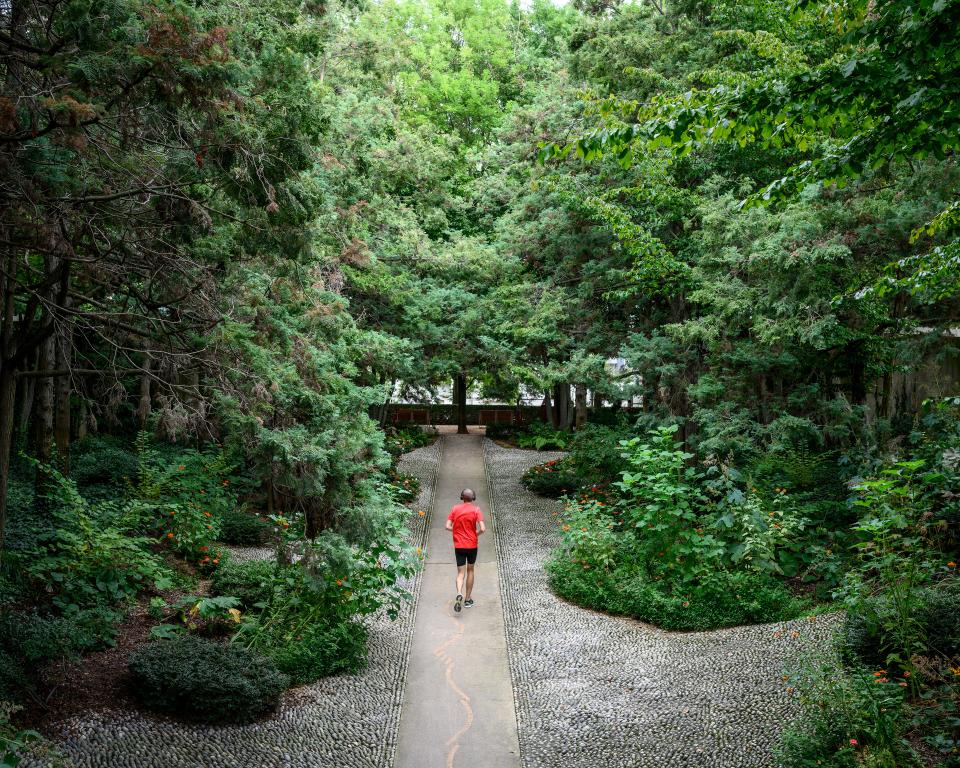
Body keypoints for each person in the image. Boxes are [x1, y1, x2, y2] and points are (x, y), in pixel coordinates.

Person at [445, 488, 485, 612]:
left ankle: (459, 592)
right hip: (472, 545)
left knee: (460, 573)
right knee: (471, 570)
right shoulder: (476, 510)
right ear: (473, 498)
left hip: (459, 545)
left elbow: (447, 526)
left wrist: (457, 532)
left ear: (462, 497)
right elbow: (483, 529)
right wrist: (475, 534)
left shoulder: (455, 509)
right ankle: (467, 600)